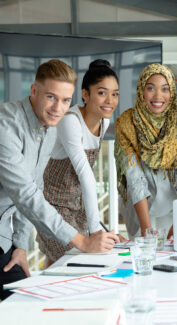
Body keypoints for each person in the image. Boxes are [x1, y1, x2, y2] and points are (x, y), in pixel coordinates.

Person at [0, 59, 119, 299]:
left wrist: (20, 246)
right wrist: (82, 242)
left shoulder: (50, 126)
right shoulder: (6, 125)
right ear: (34, 91)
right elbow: (25, 194)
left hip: (4, 238)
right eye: (51, 97)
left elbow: (34, 186)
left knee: (27, 300)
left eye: (65, 100)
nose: (58, 108)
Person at [36, 59, 124, 266]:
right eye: (102, 93)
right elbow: (85, 174)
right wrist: (95, 231)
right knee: (74, 260)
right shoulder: (70, 121)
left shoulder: (104, 120)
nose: (110, 100)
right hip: (54, 205)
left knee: (61, 262)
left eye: (115, 94)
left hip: (78, 206)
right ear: (85, 94)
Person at [115, 63, 177, 239]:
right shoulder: (127, 123)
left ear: (172, 92)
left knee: (175, 252)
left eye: (165, 89)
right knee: (144, 251)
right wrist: (146, 229)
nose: (158, 96)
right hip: (139, 208)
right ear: (141, 90)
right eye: (150, 88)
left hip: (175, 204)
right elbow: (134, 176)